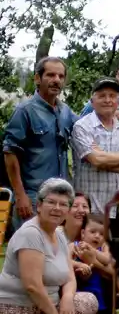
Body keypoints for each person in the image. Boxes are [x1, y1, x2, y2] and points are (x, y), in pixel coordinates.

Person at [0, 179, 99, 314]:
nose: (57, 208)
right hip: (17, 308)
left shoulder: (59, 234)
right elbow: (32, 285)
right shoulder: (30, 234)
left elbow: (69, 275)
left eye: (63, 204)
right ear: (39, 205)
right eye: (51, 202)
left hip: (46, 307)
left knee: (88, 301)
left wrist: (68, 298)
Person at [3, 57, 76, 230]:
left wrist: (115, 114)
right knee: (31, 251)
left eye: (60, 76)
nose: (56, 80)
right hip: (33, 198)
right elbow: (10, 153)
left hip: (59, 199)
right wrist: (20, 195)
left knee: (54, 253)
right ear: (37, 78)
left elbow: (87, 125)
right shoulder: (24, 111)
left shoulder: (65, 111)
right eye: (50, 75)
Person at [72, 78, 119, 217]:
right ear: (92, 102)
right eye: (102, 96)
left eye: (112, 96)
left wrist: (103, 157)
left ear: (117, 102)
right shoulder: (82, 126)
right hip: (90, 209)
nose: (107, 100)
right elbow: (97, 160)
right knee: (83, 240)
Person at [71, 214, 115, 314]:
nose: (97, 236)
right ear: (83, 233)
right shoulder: (74, 246)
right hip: (81, 289)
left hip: (98, 289)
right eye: (93, 232)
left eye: (101, 234)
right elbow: (65, 261)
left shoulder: (103, 248)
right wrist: (78, 264)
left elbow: (107, 260)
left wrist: (93, 252)